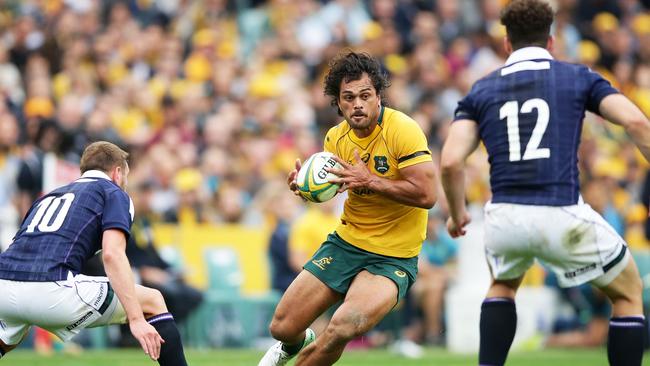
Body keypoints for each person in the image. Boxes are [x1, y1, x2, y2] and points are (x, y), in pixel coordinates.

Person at [440, 1, 650, 365]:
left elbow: (450, 161)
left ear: (506, 43)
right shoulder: (578, 76)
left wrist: (457, 214)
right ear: (551, 42)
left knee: (503, 285)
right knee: (629, 292)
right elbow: (636, 123)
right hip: (560, 210)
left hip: (505, 217)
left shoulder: (482, 89)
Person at [258, 51, 437, 366]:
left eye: (365, 96)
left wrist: (371, 180)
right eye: (349, 97)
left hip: (392, 257)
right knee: (282, 327)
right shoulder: (335, 138)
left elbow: (427, 195)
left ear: (378, 97)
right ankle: (292, 346)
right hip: (346, 243)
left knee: (341, 327)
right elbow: (335, 187)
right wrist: (305, 189)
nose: (358, 104)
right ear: (338, 103)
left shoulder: (403, 130)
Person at [0, 141, 188, 365]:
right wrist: (136, 318)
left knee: (7, 337)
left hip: (5, 287)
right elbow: (112, 254)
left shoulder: (49, 196)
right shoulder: (113, 193)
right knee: (153, 299)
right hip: (51, 290)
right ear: (118, 172)